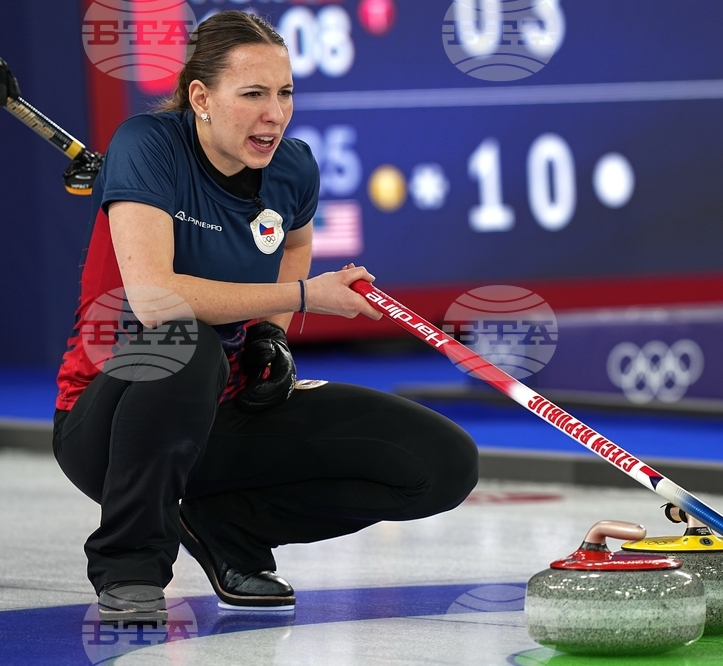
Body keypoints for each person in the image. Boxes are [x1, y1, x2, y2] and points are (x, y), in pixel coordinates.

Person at [52, 11, 478, 622]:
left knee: (442, 463)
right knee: (186, 340)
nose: (274, 113)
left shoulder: (291, 166)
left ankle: (225, 528)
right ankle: (131, 564)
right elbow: (154, 299)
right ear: (201, 97)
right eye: (252, 94)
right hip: (112, 426)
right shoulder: (146, 146)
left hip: (225, 412)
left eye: (284, 94)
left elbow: (295, 244)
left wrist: (270, 335)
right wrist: (306, 297)